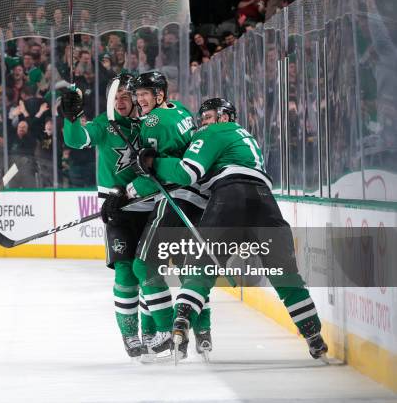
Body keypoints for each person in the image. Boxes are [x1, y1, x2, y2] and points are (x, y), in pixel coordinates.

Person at [135, 97, 328, 360]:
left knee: (201, 267)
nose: (203, 124)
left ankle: (181, 322)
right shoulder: (245, 138)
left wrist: (153, 164)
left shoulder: (215, 132)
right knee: (285, 274)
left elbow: (187, 172)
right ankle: (314, 335)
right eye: (202, 119)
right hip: (265, 202)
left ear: (224, 116)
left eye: (208, 117)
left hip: (230, 198)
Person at [62, 74, 158, 359]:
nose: (121, 102)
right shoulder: (104, 125)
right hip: (118, 212)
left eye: (126, 97)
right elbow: (77, 140)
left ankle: (152, 332)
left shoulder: (148, 124)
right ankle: (130, 335)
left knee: (150, 273)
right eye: (116, 98)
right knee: (126, 272)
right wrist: (71, 117)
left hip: (150, 207)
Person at [119, 71, 212, 361]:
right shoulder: (180, 109)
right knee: (188, 270)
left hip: (176, 199)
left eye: (145, 93)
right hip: (201, 201)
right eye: (138, 94)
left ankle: (166, 330)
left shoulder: (154, 122)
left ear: (159, 94)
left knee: (143, 265)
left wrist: (130, 191)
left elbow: (157, 172)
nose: (139, 99)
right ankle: (203, 333)